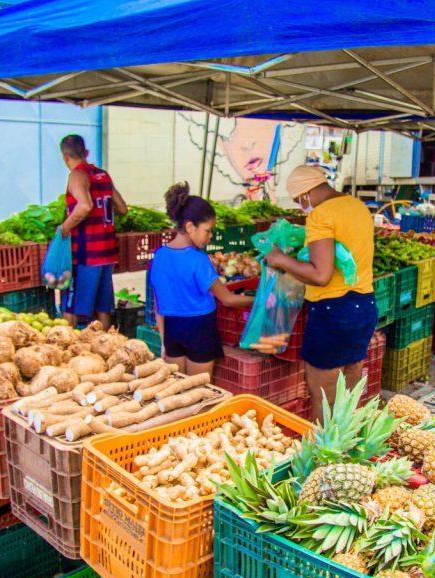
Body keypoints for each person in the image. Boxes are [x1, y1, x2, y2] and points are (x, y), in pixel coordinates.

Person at [263, 164, 375, 421]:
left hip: (333, 312)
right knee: (348, 395)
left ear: (305, 194)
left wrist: (280, 260)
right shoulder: (358, 207)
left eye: (299, 202)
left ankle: (322, 456)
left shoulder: (321, 215)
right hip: (363, 305)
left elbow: (320, 275)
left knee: (324, 397)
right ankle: (349, 453)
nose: (302, 208)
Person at [148, 183, 254, 377]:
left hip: (171, 329)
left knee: (178, 389)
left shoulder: (160, 256)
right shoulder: (199, 260)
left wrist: (164, 340)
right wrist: (261, 301)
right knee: (200, 390)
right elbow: (228, 299)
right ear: (190, 226)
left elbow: (158, 305)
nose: (210, 236)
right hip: (199, 329)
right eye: (208, 230)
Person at [58, 134, 127, 329]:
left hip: (85, 253)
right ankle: (105, 345)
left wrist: (64, 228)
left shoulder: (76, 175)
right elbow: (122, 208)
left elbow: (84, 206)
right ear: (86, 153)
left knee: (71, 306)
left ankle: (67, 347)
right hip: (107, 252)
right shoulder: (103, 175)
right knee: (103, 305)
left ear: (65, 157)